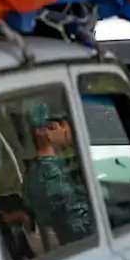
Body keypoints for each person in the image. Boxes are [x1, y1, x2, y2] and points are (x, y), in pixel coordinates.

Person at [22, 101, 94, 248]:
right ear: (41, 132)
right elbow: (78, 223)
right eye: (55, 125)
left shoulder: (33, 171)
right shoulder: (52, 174)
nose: (63, 128)